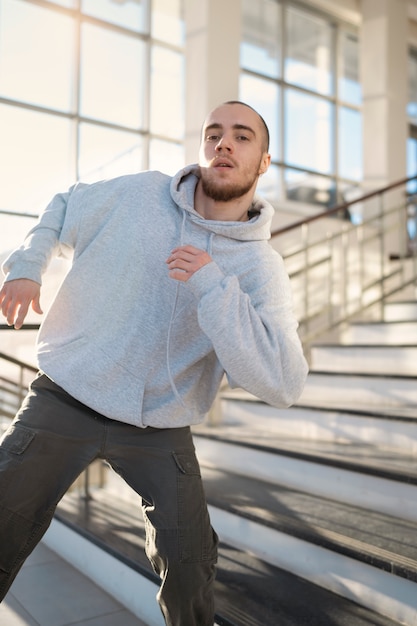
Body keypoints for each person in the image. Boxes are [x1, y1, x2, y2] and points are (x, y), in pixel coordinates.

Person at [0, 101, 308, 625]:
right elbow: (65, 203)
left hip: (158, 425)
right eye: (213, 134)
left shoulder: (259, 267)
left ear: (263, 162)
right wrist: (28, 265)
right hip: (67, 396)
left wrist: (214, 286)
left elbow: (283, 381)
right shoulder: (140, 194)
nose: (223, 144)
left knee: (191, 562)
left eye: (241, 136)